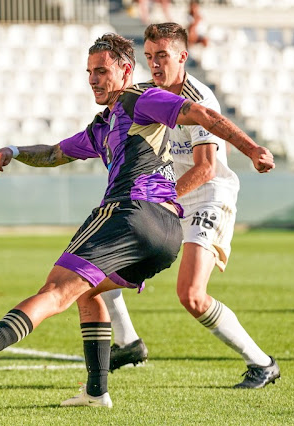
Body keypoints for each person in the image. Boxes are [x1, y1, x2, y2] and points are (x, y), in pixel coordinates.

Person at [0, 33, 275, 408]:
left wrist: (251, 148)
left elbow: (202, 114)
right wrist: (15, 151)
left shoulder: (140, 99)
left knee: (54, 291)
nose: (93, 79)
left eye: (101, 71)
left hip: (130, 213)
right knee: (89, 291)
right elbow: (54, 153)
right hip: (165, 235)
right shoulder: (104, 124)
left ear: (126, 70)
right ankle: (97, 392)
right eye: (89, 72)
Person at [101, 23, 280, 389]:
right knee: (99, 268)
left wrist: (158, 200)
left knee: (192, 296)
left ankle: (262, 363)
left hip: (208, 195)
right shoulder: (147, 95)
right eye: (149, 57)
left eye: (162, 56)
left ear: (183, 56)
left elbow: (206, 168)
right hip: (168, 195)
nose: (154, 64)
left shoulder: (200, 99)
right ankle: (127, 342)